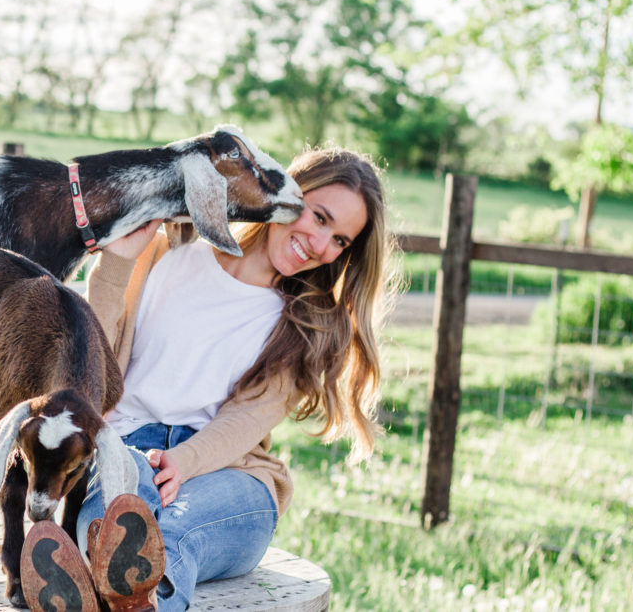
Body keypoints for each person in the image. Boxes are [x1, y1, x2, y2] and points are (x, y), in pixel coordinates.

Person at [20, 144, 396, 612]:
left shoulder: (308, 325)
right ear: (287, 193)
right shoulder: (169, 252)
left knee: (172, 535)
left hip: (229, 474)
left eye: (340, 241)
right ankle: (110, 587)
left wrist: (184, 461)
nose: (321, 246)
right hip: (124, 449)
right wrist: (116, 262)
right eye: (320, 218)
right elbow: (91, 356)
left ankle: (113, 591)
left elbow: (244, 422)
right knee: (123, 516)